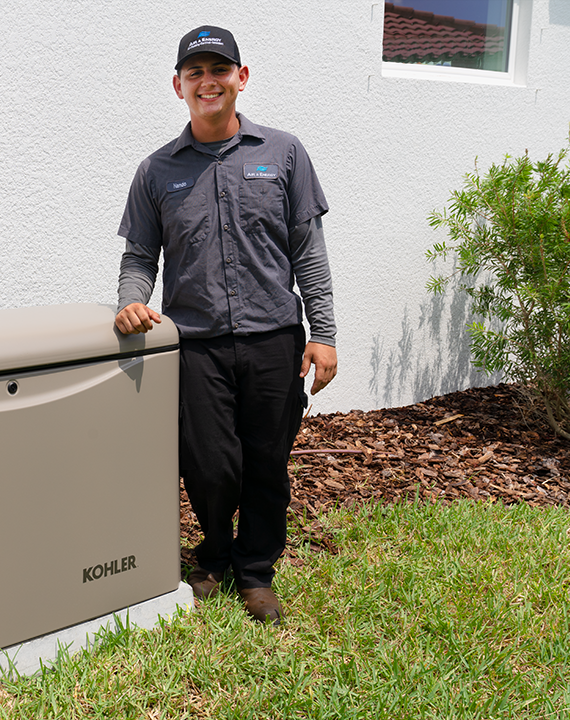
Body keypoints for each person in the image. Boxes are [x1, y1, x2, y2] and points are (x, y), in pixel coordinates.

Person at [114, 26, 338, 624]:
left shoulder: (284, 153)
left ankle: (257, 569)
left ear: (241, 78)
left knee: (267, 459)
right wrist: (130, 301)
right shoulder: (156, 171)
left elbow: (307, 251)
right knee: (210, 462)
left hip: (273, 337)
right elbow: (140, 257)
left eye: (219, 70)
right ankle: (213, 554)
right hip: (197, 344)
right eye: (195, 73)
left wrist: (324, 334)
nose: (207, 82)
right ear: (178, 86)